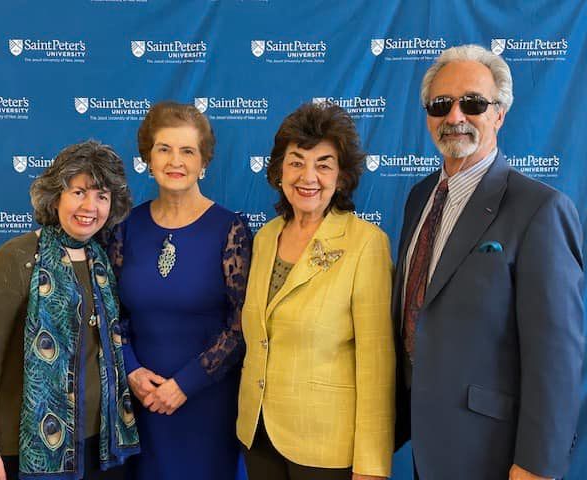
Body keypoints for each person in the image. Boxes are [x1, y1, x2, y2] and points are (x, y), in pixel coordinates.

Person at [393, 44, 584, 480]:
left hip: (493, 454)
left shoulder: (540, 209)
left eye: (473, 102)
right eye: (441, 104)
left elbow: (557, 358)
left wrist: (537, 466)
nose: (455, 115)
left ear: (499, 113)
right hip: (423, 444)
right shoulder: (419, 198)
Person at [237, 102, 395, 480]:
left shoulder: (366, 243)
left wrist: (372, 466)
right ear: (279, 171)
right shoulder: (264, 237)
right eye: (296, 161)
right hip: (258, 435)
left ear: (341, 177)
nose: (308, 176)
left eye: (323, 164)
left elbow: (377, 365)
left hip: (326, 446)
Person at [0, 140, 139, 480]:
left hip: (99, 444)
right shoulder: (16, 258)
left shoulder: (102, 260)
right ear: (56, 195)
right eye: (79, 192)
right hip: (26, 449)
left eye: (102, 196)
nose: (90, 206)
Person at [109, 101, 252, 479]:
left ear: (203, 161)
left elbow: (241, 326)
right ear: (148, 158)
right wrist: (133, 371)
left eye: (188, 151)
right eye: (164, 149)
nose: (176, 161)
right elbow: (110, 315)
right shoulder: (125, 227)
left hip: (207, 405)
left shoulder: (230, 229)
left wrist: (185, 384)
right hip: (139, 406)